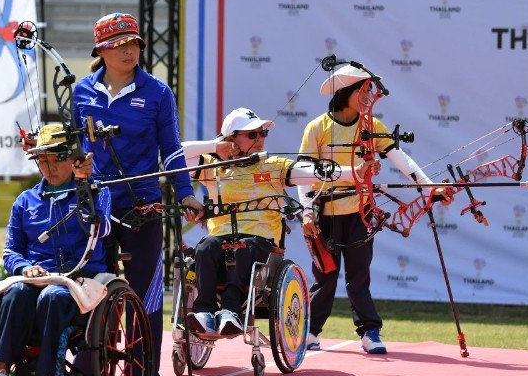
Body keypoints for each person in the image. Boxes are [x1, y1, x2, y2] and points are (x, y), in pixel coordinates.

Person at [72, 12, 204, 376]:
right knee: (90, 293)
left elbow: (173, 148)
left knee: (144, 298)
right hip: (95, 207)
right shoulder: (80, 92)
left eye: (135, 43)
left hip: (143, 206)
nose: (130, 50)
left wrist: (185, 193)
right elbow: (74, 149)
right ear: (101, 51)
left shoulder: (158, 92)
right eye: (120, 44)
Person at [298, 65, 452, 354]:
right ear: (346, 91)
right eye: (364, 90)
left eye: (371, 90)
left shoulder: (370, 125)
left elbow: (400, 157)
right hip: (324, 214)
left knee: (359, 276)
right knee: (325, 276)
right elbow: (303, 174)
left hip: (360, 212)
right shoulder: (317, 128)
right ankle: (311, 331)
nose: (369, 96)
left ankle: (369, 331)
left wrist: (431, 187)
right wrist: (307, 210)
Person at [181, 108, 373, 337]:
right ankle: (204, 313)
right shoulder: (212, 165)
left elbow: (314, 172)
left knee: (243, 248)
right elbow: (177, 153)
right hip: (220, 240)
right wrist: (215, 146)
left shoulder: (274, 166)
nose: (260, 139)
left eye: (263, 133)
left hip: (260, 244)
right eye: (252, 135)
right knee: (204, 246)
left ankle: (230, 311)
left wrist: (355, 172)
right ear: (231, 139)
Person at [0, 124, 111, 376]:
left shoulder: (97, 191)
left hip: (80, 278)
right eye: (43, 160)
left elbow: (101, 227)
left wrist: (85, 186)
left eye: (56, 159)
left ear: (72, 161)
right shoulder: (25, 201)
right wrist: (25, 267)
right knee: (14, 295)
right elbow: (11, 251)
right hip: (35, 279)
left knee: (53, 296)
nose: (49, 167)